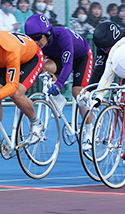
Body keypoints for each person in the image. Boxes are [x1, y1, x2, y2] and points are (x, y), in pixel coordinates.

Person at [25, 14, 96, 142]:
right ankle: (59, 99)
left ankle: (90, 132)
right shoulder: (39, 44)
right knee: (43, 66)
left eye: (37, 37)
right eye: (31, 38)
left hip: (81, 58)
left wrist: (58, 84)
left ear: (47, 34)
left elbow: (68, 65)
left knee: (77, 93)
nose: (35, 41)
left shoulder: (63, 37)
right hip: (58, 57)